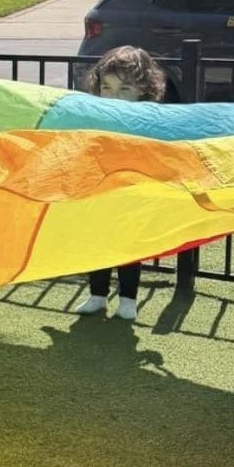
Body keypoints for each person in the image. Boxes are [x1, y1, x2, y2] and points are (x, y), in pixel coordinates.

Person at [74, 45, 167, 323]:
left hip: (132, 193)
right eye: (107, 87)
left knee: (128, 246)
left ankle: (128, 300)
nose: (114, 96)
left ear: (144, 91)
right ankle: (97, 296)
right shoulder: (94, 117)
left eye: (125, 89)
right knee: (97, 244)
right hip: (100, 191)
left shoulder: (148, 120)